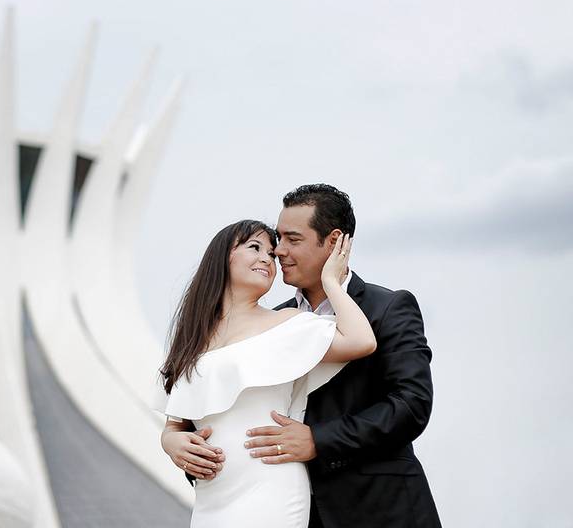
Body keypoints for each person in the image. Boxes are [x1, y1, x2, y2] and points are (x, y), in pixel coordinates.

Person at [161, 185, 442, 528]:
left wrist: (317, 439)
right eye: (276, 239)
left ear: (334, 241)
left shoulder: (388, 307)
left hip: (378, 510)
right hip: (278, 506)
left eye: (292, 239)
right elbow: (210, 411)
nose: (278, 252)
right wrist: (173, 440)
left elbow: (411, 405)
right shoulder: (270, 321)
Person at [154, 219, 375, 527]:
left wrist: (331, 283)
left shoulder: (286, 322)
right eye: (254, 248)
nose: (266, 259)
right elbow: (174, 424)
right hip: (211, 498)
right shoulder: (193, 338)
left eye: (271, 254)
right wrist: (171, 443)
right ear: (221, 257)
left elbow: (360, 340)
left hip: (271, 485)